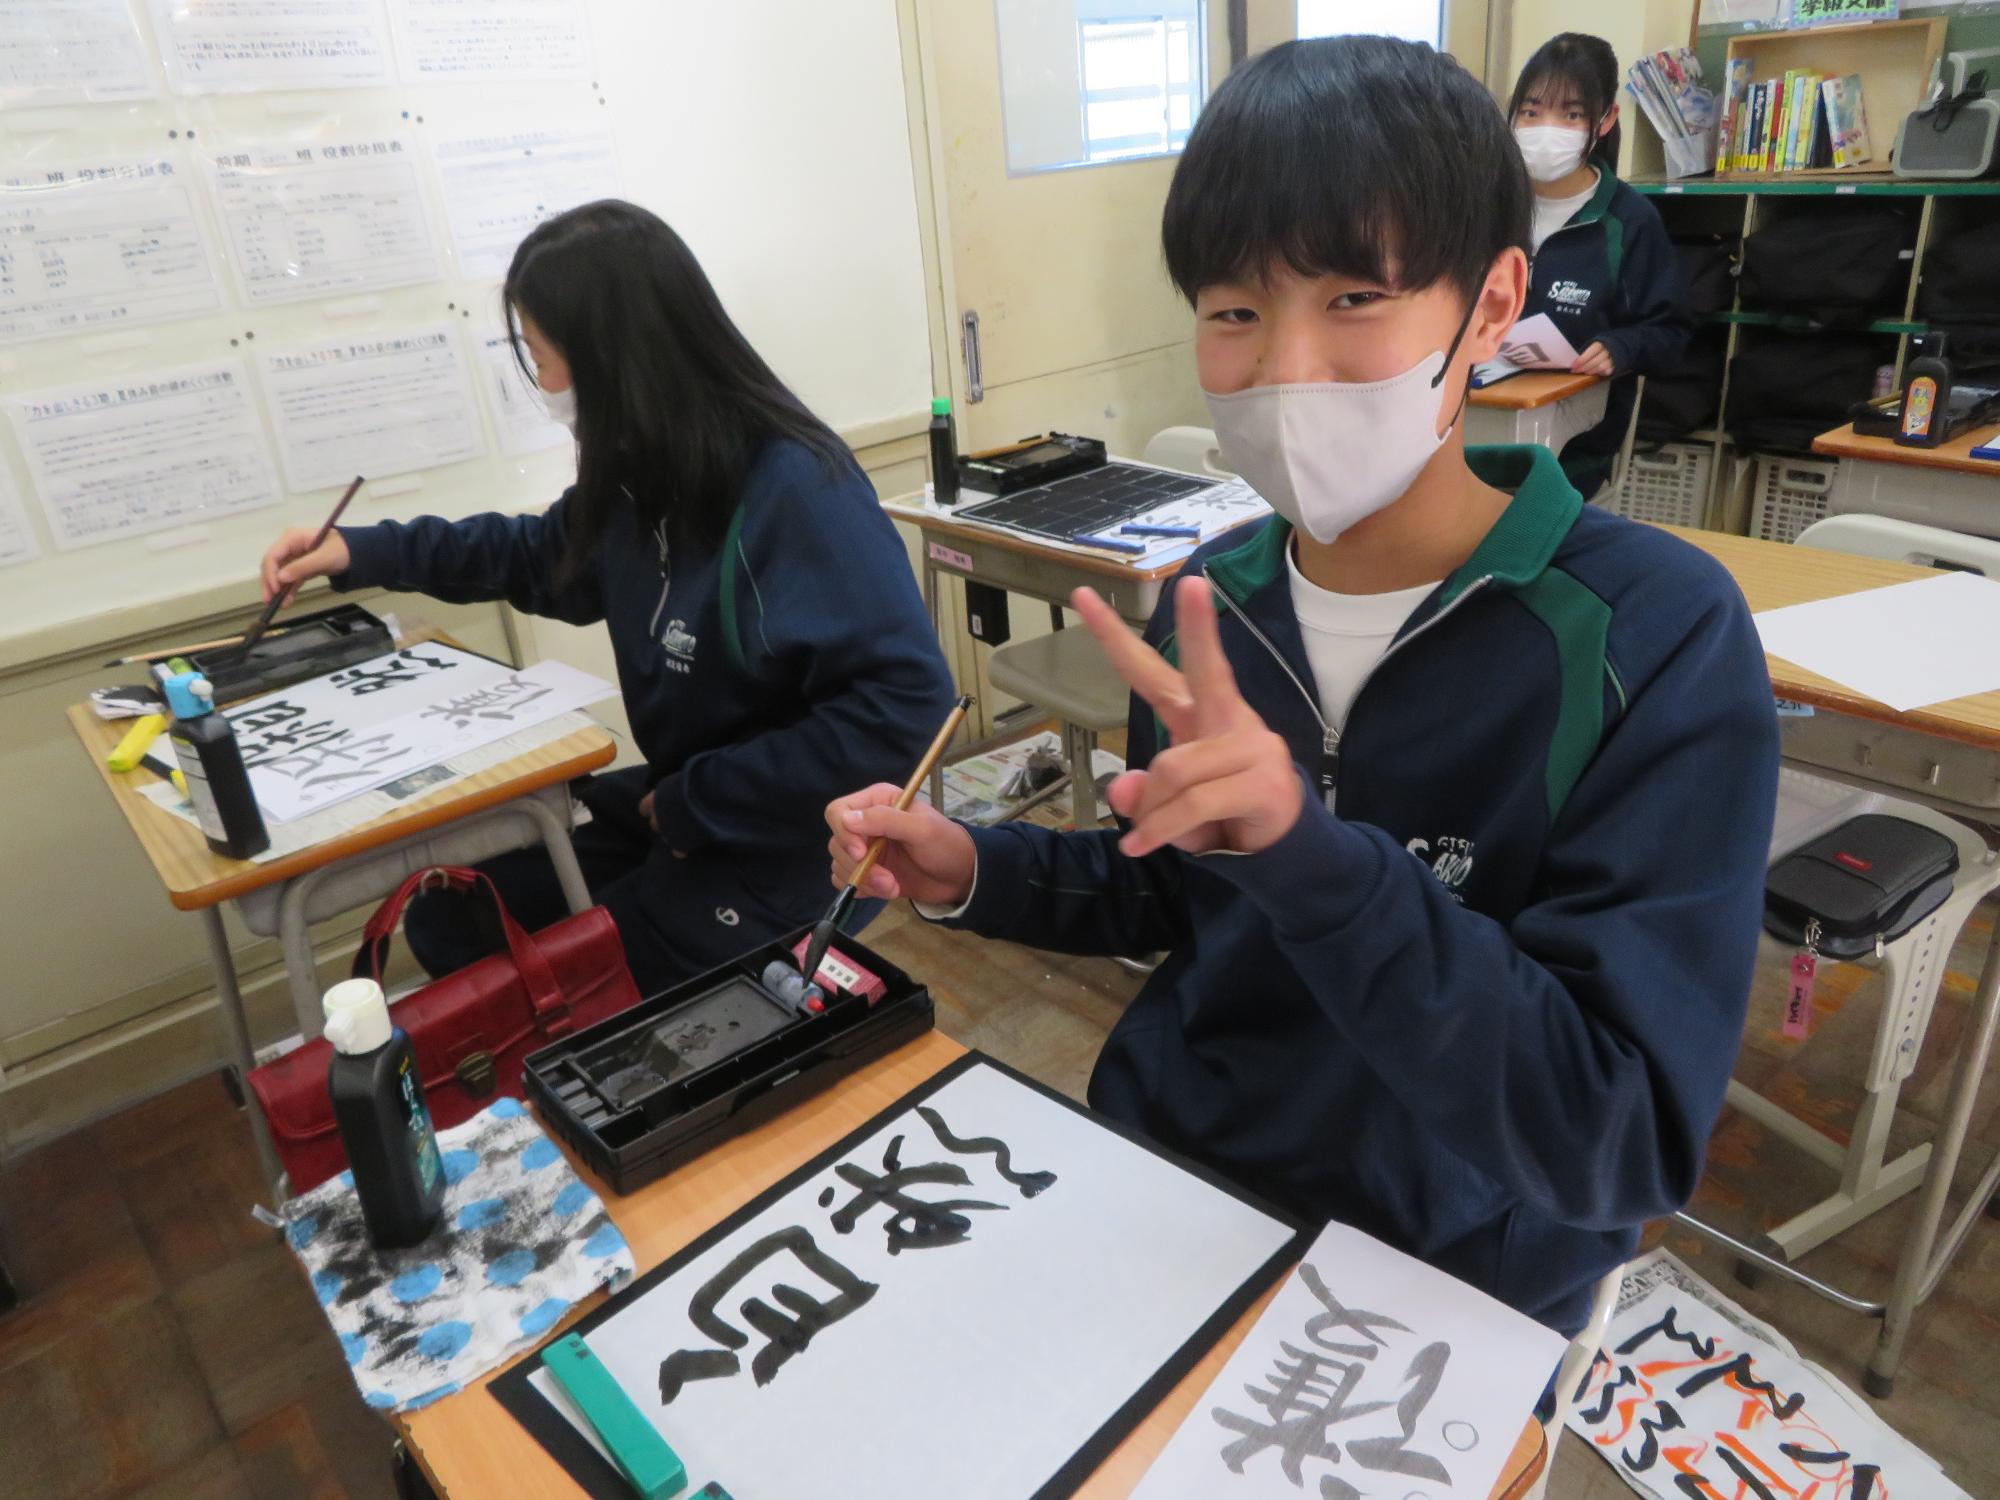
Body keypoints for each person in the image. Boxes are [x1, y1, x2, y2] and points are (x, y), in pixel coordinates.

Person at [825, 38, 1777, 1339]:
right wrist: (972, 870)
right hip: (1175, 1181)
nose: (1284, 366)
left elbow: (1615, 1137)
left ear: (1491, 304)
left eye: (1352, 298)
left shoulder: (1655, 636)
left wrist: (1316, 864)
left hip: (1448, 1272)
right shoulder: (1215, 600)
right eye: (1233, 312)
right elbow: (1177, 890)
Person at [262, 199, 955, 996]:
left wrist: (697, 800)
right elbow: (538, 555)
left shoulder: (796, 489)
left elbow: (904, 711)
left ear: (610, 357)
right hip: (688, 798)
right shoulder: (646, 469)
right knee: (451, 916)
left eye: (540, 354)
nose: (542, 382)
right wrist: (362, 551)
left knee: (572, 985)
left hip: (796, 840)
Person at [1510, 32, 1694, 497]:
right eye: (1531, 111)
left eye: (1571, 114)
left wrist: (1621, 346)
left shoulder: (1629, 220)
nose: (1546, 128)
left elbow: (1670, 333)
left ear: (1606, 119)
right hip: (1473, 419)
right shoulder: (1487, 207)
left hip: (1573, 448)